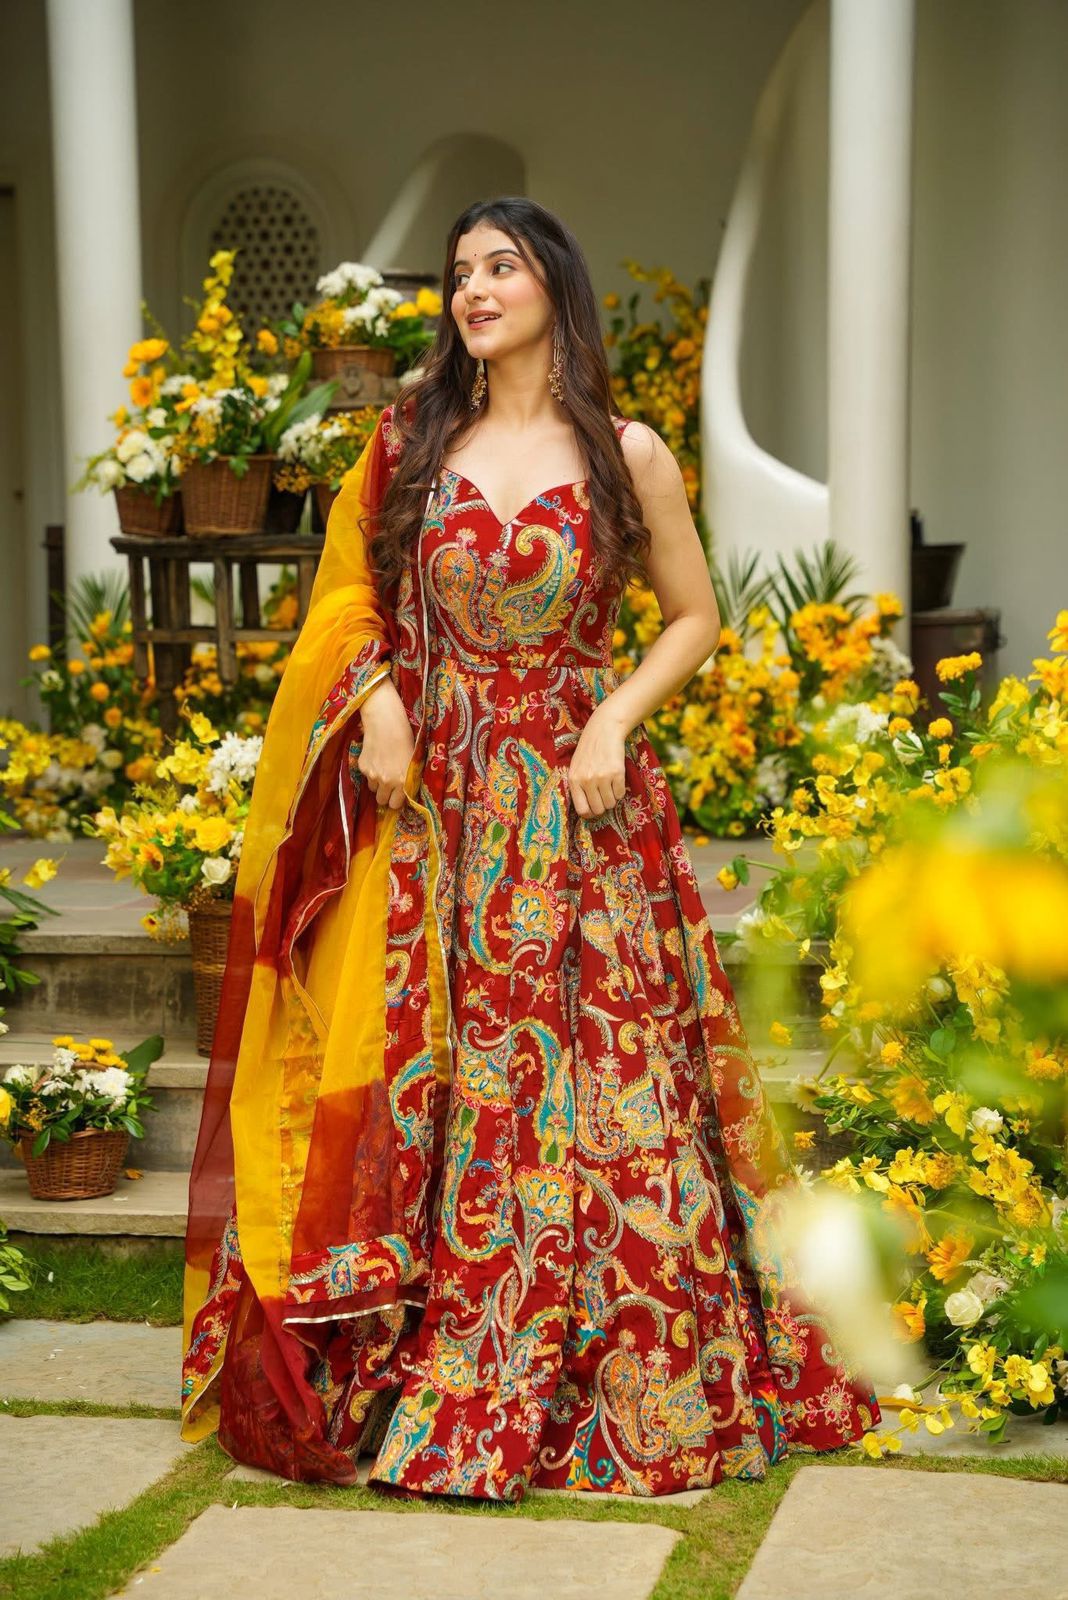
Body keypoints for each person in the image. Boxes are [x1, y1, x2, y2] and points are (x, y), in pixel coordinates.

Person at [181, 196, 881, 1500]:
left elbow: (695, 616)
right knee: (445, 1084)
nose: (475, 289)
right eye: (459, 274)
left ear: (556, 282)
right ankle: (438, 1361)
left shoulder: (630, 454)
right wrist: (379, 701)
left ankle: (618, 1374)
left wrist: (615, 714)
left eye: (500, 266)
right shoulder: (407, 446)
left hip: (582, 803)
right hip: (435, 815)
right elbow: (349, 601)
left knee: (606, 1093)